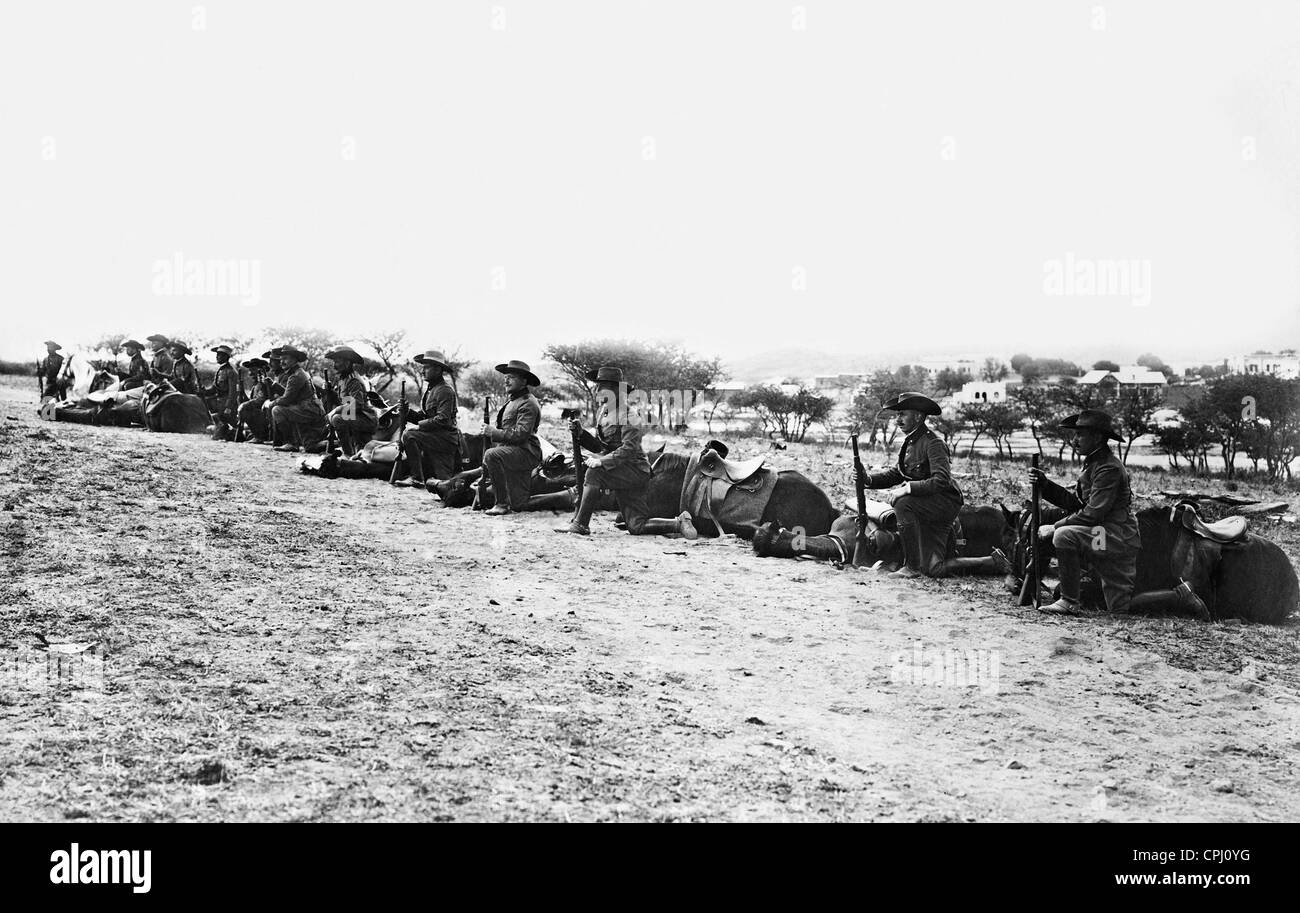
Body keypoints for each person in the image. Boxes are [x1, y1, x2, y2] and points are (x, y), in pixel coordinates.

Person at [556, 365, 696, 538]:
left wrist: (602, 462)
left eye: (603, 387)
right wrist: (581, 433)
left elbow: (628, 449)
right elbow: (600, 446)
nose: (598, 390)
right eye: (598, 387)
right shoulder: (604, 414)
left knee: (594, 473)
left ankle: (580, 525)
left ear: (617, 390)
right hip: (620, 471)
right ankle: (679, 523)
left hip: (634, 471)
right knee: (637, 525)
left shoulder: (630, 416)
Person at [1027, 409, 1140, 614]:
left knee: (1064, 535)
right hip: (1102, 534)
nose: (1074, 440)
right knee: (1118, 606)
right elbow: (1075, 503)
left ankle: (1069, 601)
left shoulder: (1108, 469)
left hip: (1115, 537)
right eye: (1074, 434)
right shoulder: (1094, 465)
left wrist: (1054, 527)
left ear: (1097, 438)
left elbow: (1092, 514)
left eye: (1080, 435)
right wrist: (1045, 484)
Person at [854, 392, 963, 578]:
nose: (898, 419)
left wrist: (907, 489)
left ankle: (911, 567)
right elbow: (898, 473)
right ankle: (992, 562)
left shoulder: (933, 443)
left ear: (918, 417)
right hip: (927, 503)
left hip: (943, 504)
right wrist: (868, 480)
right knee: (934, 569)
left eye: (903, 414)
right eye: (898, 415)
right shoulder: (911, 442)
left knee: (903, 502)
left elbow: (941, 480)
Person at [480, 360, 543, 515]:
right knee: (519, 503)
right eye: (505, 377)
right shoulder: (513, 400)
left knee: (491, 455)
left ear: (524, 381)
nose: (506, 380)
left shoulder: (528, 403)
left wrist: (493, 433)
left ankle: (501, 504)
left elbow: (521, 434)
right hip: (514, 451)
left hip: (526, 452)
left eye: (512, 377)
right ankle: (565, 497)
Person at [400, 349, 461, 482]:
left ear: (438, 370)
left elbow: (442, 420)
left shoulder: (444, 390)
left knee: (409, 435)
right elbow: (424, 416)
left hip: (445, 437)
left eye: (427, 368)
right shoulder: (431, 390)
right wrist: (407, 412)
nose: (423, 371)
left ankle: (416, 478)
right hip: (435, 436)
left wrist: (420, 427)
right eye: (423, 368)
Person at [269, 346, 327, 453]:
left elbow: (287, 399)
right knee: (310, 447)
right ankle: (332, 443)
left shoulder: (296, 375)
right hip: (308, 410)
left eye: (285, 358)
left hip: (308, 411)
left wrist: (270, 403)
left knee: (277, 410)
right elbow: (290, 395)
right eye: (281, 359)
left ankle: (291, 443)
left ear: (295, 359)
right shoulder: (298, 373)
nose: (282, 362)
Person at [324, 346, 378, 456]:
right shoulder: (343, 379)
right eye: (334, 362)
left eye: (337, 362)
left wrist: (335, 411)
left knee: (337, 419)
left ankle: (347, 454)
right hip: (354, 416)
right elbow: (345, 400)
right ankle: (349, 451)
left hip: (365, 419)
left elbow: (356, 405)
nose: (334, 365)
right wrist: (329, 392)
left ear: (347, 363)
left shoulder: (353, 380)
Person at [203, 344, 241, 433]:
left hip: (227, 405)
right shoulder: (220, 371)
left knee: (230, 427)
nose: (217, 357)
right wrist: (204, 391)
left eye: (219, 355)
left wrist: (228, 407)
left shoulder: (231, 372)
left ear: (226, 356)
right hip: (219, 402)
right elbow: (214, 388)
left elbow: (233, 392)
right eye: (217, 354)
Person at [236, 357, 274, 443]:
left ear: (259, 371)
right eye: (250, 370)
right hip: (261, 415)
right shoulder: (255, 386)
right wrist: (242, 393)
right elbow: (251, 401)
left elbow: (260, 400)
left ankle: (259, 436)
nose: (250, 373)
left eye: (253, 370)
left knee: (246, 410)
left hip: (265, 416)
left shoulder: (263, 384)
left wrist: (244, 405)